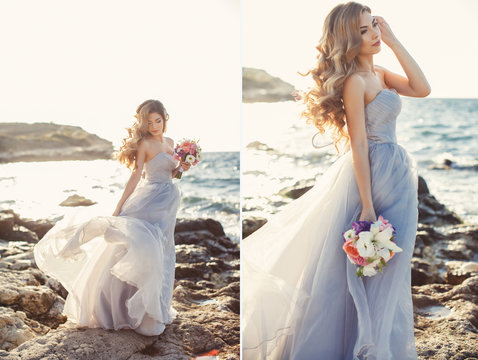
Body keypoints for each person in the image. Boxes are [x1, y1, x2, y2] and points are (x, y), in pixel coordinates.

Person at [241, 2, 430, 359]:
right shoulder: (355, 82)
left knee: (392, 266)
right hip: (372, 176)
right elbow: (358, 143)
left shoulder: (383, 74)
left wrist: (394, 40)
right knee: (367, 267)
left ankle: (379, 347)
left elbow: (422, 88)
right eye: (363, 30)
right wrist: (367, 203)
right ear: (346, 38)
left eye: (372, 25)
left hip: (398, 175)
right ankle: (362, 348)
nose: (372, 34)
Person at [33, 99, 191, 336]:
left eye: (158, 120)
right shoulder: (144, 144)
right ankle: (118, 309)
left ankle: (156, 308)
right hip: (148, 199)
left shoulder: (170, 143)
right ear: (143, 123)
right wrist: (120, 206)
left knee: (163, 249)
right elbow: (136, 175)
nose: (154, 125)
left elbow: (174, 173)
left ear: (164, 119)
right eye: (149, 122)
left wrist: (184, 168)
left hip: (168, 202)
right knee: (143, 246)